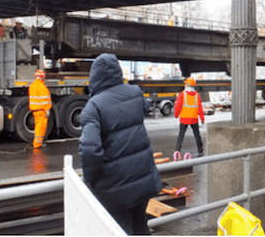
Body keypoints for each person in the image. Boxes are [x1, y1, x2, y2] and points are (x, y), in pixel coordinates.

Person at [79, 53, 162, 235]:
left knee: (119, 230)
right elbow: (145, 107)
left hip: (116, 189)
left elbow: (89, 150)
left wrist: (91, 179)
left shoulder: (93, 107)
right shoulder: (135, 93)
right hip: (143, 178)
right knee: (141, 226)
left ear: (94, 76)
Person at [174, 77, 205, 157]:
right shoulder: (197, 95)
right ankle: (200, 150)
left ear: (187, 85)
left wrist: (176, 115)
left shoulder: (182, 94)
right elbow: (200, 108)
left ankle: (178, 150)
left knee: (181, 134)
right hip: (194, 119)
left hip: (184, 118)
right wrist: (202, 118)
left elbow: (178, 105)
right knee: (197, 134)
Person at [28, 69, 51, 149]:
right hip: (41, 110)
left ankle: (36, 143)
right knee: (40, 128)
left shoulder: (32, 85)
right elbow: (45, 101)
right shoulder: (42, 87)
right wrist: (47, 110)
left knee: (37, 127)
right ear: (42, 77)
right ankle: (37, 144)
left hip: (35, 110)